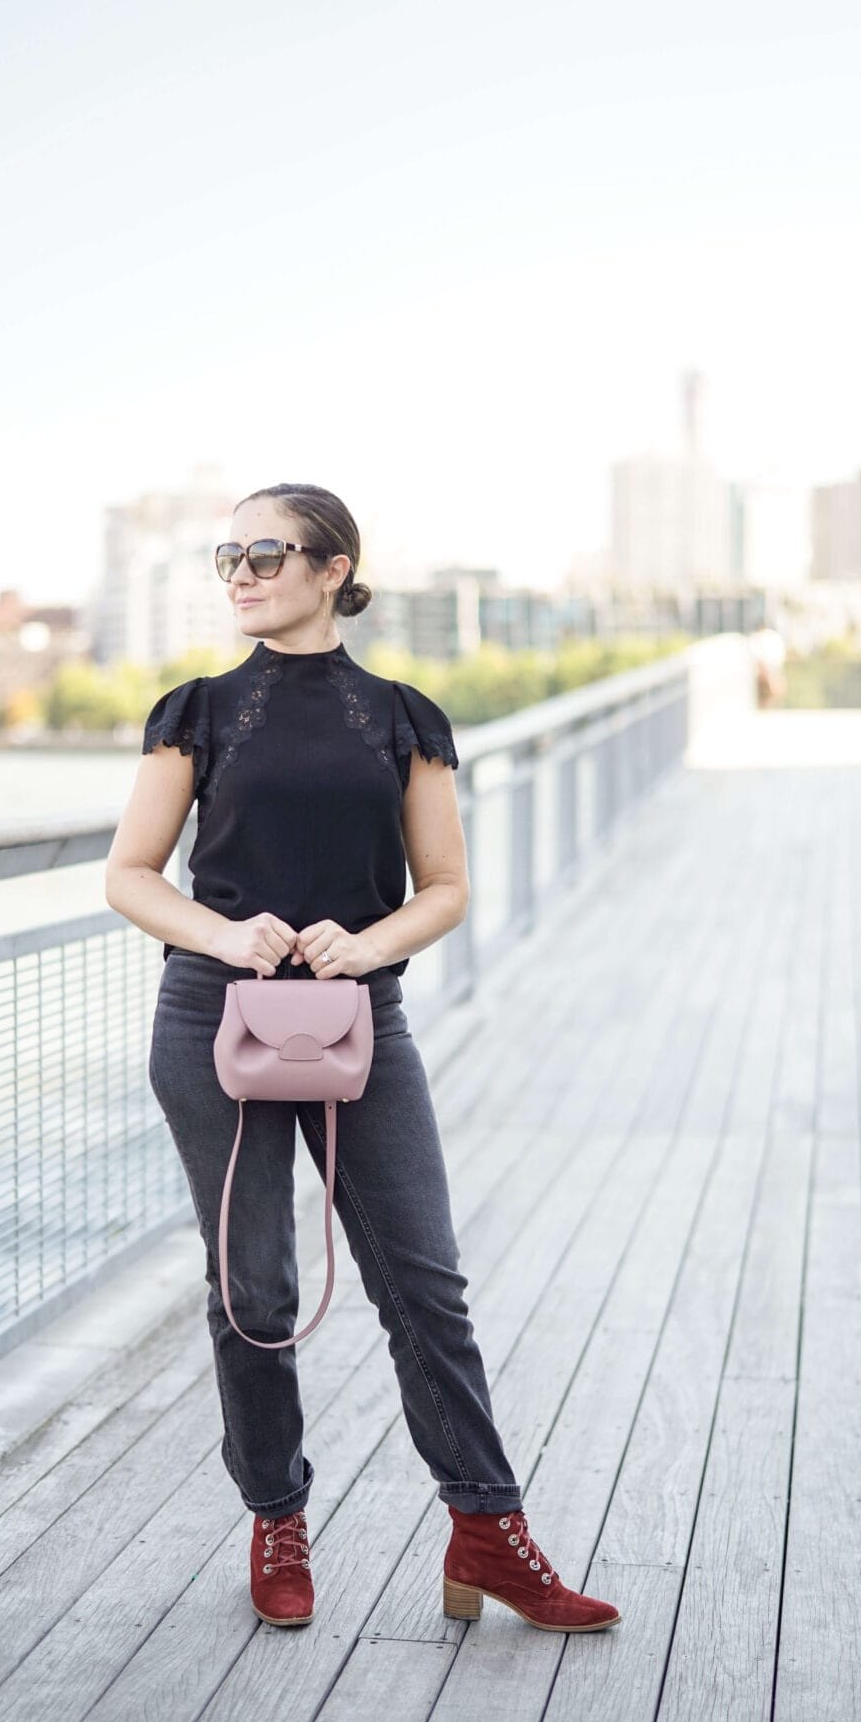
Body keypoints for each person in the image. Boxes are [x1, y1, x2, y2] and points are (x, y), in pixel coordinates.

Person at [104, 481, 620, 1637]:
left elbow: (443, 889)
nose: (239, 571)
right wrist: (227, 934)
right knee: (254, 1290)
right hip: (210, 1021)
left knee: (421, 1282)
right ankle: (276, 1518)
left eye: (265, 552)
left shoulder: (401, 715)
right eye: (226, 554)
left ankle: (487, 1532)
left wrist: (365, 944)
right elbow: (131, 873)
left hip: (359, 1023)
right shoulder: (191, 708)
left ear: (333, 568)